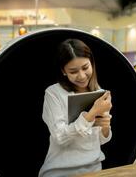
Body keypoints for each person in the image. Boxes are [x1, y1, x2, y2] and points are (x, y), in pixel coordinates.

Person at [38, 38, 112, 177]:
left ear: (92, 63)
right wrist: (91, 114)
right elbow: (60, 137)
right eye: (73, 71)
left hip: (95, 169)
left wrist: (106, 127)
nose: (82, 76)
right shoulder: (53, 93)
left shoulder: (99, 91)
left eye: (85, 67)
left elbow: (101, 140)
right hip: (60, 171)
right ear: (63, 71)